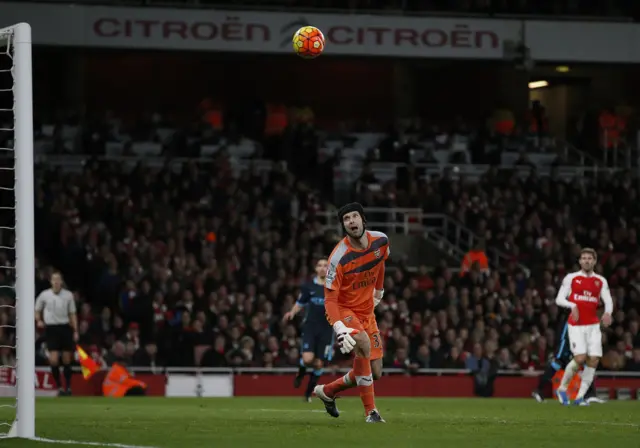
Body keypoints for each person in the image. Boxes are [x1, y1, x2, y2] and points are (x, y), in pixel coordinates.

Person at [314, 202, 389, 423]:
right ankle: (371, 413)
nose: (351, 221)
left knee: (375, 372)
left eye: (355, 216)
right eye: (346, 219)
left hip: (367, 311)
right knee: (363, 344)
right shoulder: (338, 258)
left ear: (363, 219)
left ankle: (327, 391)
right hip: (345, 310)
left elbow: (381, 261)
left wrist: (379, 290)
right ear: (344, 226)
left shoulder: (381, 241)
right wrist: (340, 328)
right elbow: (330, 299)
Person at [554, 248, 613, 406]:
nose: (587, 261)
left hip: (593, 325)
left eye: (590, 258)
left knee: (593, 360)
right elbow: (559, 299)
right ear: (580, 261)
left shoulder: (600, 281)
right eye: (584, 258)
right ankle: (562, 389)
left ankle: (580, 397)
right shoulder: (571, 278)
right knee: (580, 358)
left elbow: (608, 301)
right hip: (576, 325)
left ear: (594, 261)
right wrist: (572, 305)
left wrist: (608, 313)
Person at [282, 258, 334, 402]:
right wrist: (292, 312)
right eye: (320, 265)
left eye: (325, 266)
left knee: (318, 364)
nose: (323, 268)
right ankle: (301, 373)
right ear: (316, 269)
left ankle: (307, 394)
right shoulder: (308, 286)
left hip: (327, 330)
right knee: (307, 359)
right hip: (311, 327)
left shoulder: (333, 287)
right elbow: (300, 302)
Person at [531, 315, 604, 404]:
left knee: (585, 364)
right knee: (557, 364)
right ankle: (539, 390)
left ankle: (590, 395)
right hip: (567, 343)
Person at [35, 271, 78, 396]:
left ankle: (68, 387)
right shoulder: (44, 295)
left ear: (61, 281)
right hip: (52, 328)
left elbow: (72, 314)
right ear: (51, 281)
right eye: (54, 279)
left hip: (65, 327)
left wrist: (75, 330)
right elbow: (37, 309)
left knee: (66, 359)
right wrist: (39, 321)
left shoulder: (68, 295)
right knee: (53, 359)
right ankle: (59, 386)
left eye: (58, 279)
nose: (56, 282)